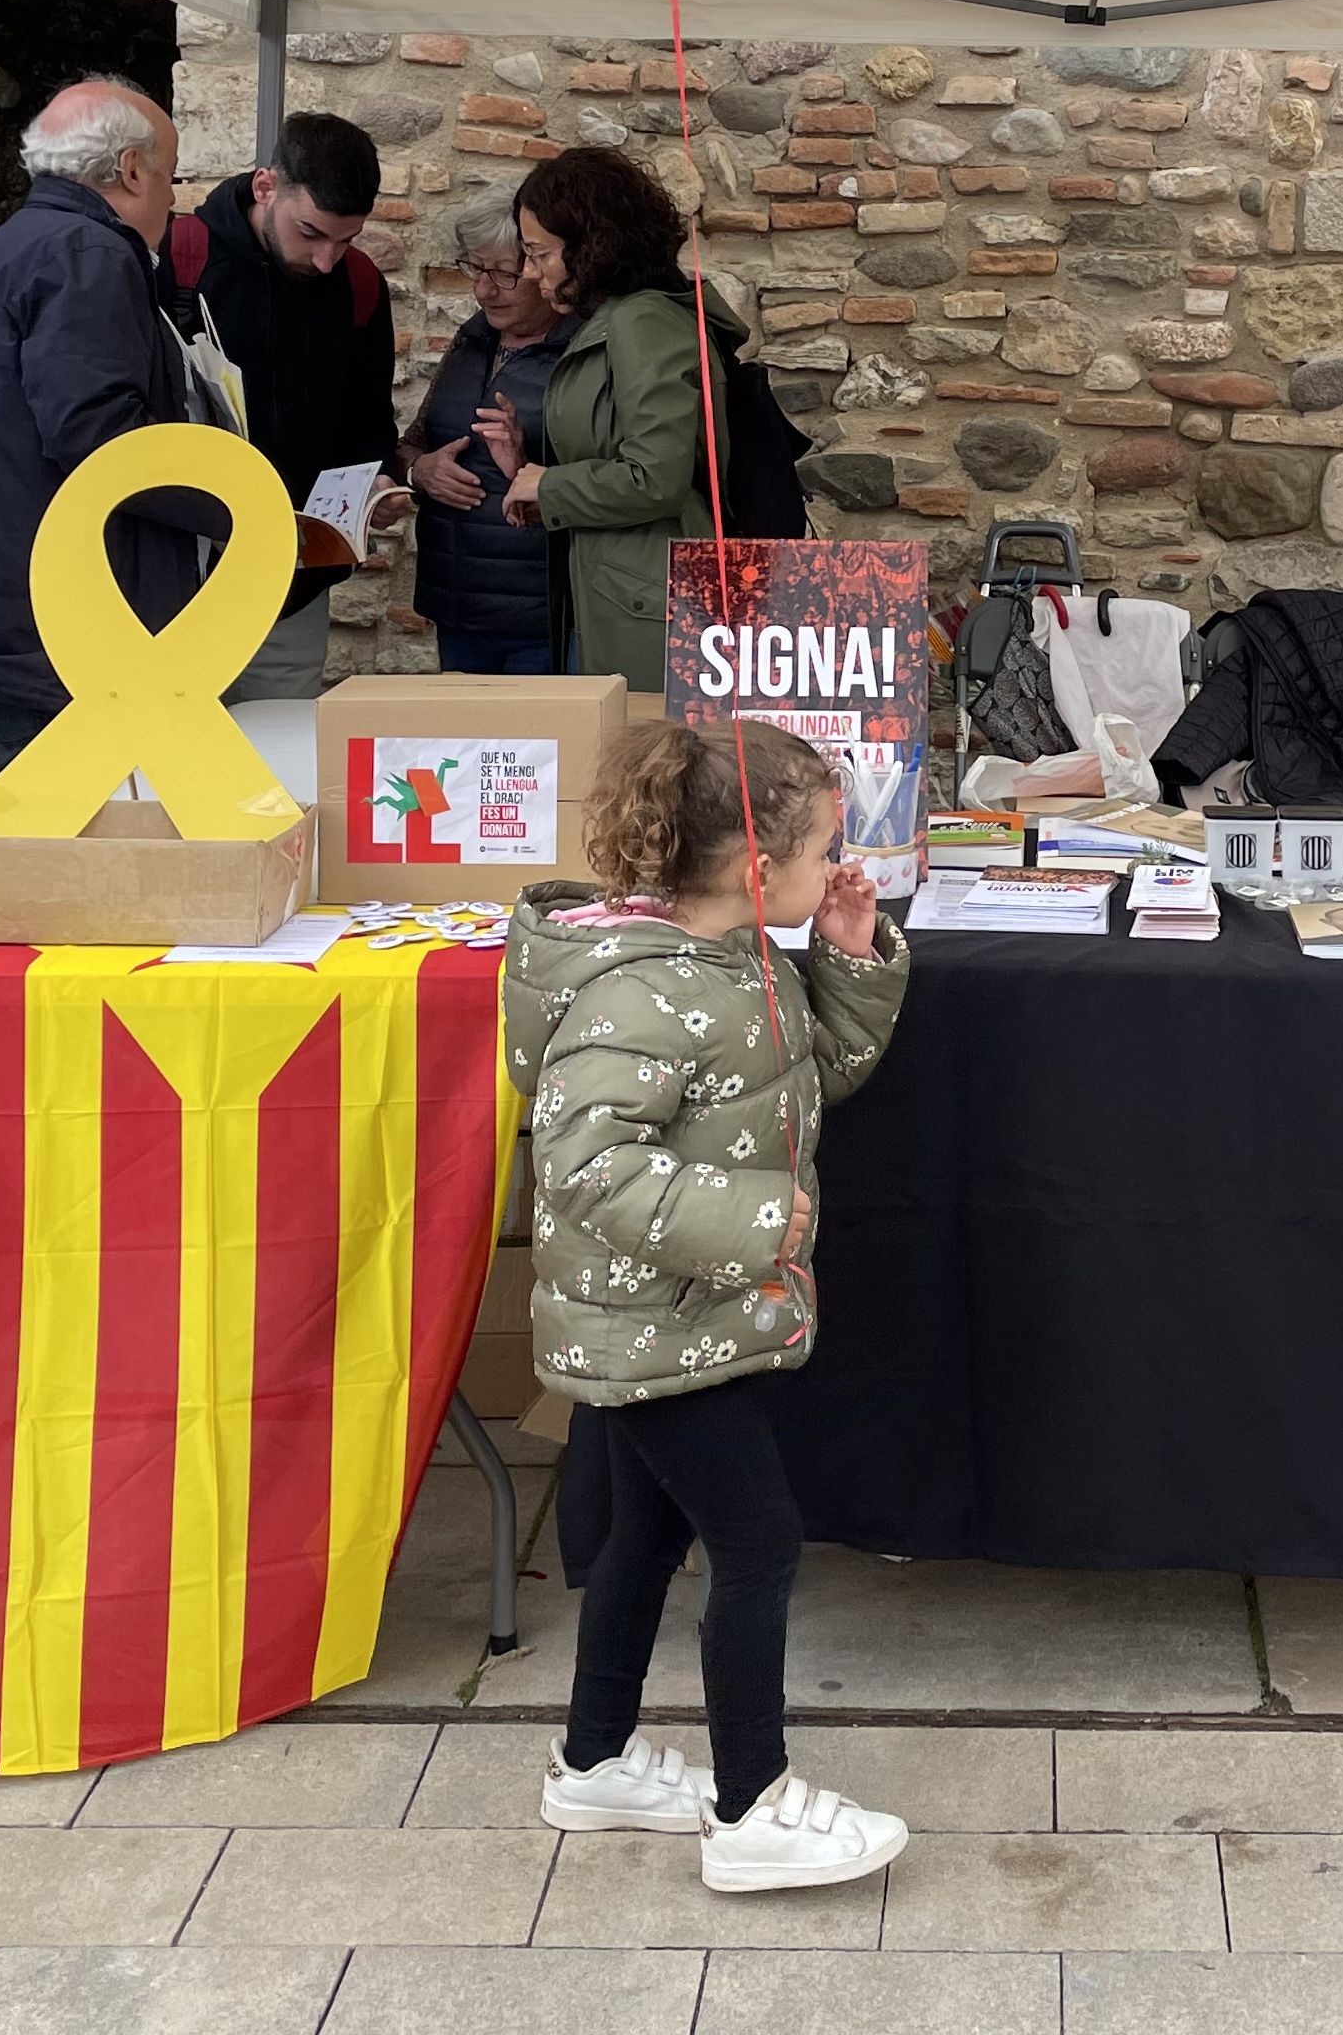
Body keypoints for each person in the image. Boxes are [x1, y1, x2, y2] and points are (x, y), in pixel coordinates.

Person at [505, 720, 910, 1892]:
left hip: (681, 1311)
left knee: (647, 1532)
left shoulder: (739, 957)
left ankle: (593, 1761)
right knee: (757, 1539)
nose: (841, 864)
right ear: (751, 868)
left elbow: (805, 1073)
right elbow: (581, 1161)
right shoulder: (637, 990)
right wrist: (754, 1222)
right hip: (649, 1318)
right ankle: (751, 1811)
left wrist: (847, 950)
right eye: (825, 849)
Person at [0, 79, 216, 790]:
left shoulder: (12, 247)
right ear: (131, 170)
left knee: (9, 854)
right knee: (49, 869)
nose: (173, 199)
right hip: (54, 621)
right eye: (171, 174)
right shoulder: (87, 253)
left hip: (3, 610)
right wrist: (235, 508)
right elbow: (100, 436)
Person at [170, 111, 408, 701]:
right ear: (265, 187)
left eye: (345, 239)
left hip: (293, 586)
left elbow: (367, 421)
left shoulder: (358, 283)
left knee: (277, 771)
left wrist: (375, 483)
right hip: (178, 574)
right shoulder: (176, 257)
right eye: (311, 233)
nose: (327, 258)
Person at [502, 146, 751, 695]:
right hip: (619, 593)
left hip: (648, 606)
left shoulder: (643, 322)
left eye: (539, 254)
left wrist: (550, 483)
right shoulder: (618, 319)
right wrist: (534, 480)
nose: (528, 271)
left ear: (591, 247)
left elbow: (654, 477)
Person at [407, 194, 581, 674]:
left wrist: (525, 462)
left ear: (542, 269)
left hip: (545, 618)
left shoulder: (582, 352)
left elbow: (611, 476)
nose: (484, 290)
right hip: (458, 610)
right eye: (475, 269)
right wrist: (419, 471)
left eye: (504, 273)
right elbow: (413, 441)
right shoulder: (471, 340)